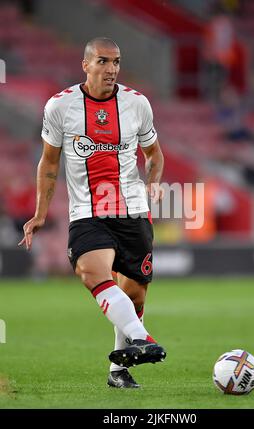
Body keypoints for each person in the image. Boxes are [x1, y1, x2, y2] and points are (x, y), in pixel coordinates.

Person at [18, 37, 166, 388]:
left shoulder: (137, 104)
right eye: (103, 61)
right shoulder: (60, 106)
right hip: (87, 212)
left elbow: (155, 155)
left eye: (116, 61)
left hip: (133, 212)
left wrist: (154, 182)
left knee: (134, 295)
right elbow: (49, 163)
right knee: (90, 270)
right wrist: (40, 212)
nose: (112, 68)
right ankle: (142, 338)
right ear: (85, 65)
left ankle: (119, 370)